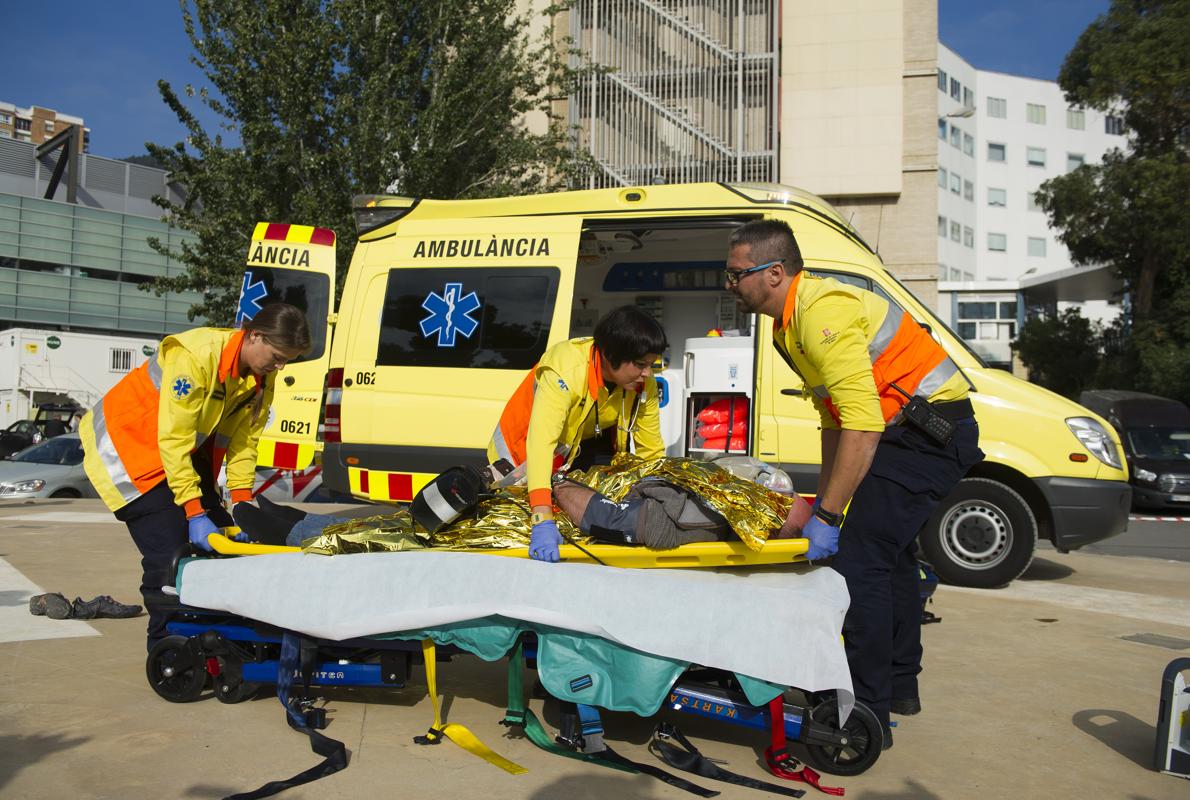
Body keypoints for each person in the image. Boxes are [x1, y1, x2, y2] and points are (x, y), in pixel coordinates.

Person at [724, 219, 983, 748]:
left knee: (861, 561)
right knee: (892, 557)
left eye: (735, 275)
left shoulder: (821, 312)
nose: (729, 285)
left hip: (926, 435)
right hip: (901, 433)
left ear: (773, 273)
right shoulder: (785, 329)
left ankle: (866, 708)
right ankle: (900, 683)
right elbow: (833, 418)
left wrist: (830, 518)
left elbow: (862, 423)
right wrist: (826, 499)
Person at [79, 303, 311, 649]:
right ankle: (166, 645)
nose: (280, 367)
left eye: (286, 361)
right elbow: (173, 438)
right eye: (277, 356)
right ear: (254, 336)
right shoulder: (197, 357)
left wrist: (243, 502)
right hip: (130, 450)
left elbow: (246, 441)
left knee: (223, 545)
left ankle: (214, 635)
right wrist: (193, 511)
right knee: (172, 553)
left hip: (177, 455)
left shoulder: (262, 376)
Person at [487, 305, 667, 562]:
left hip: (569, 453)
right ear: (610, 354)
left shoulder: (642, 383)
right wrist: (541, 518)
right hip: (521, 458)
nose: (647, 373)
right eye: (640, 364)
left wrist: (663, 499)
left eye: (651, 364)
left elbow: (651, 450)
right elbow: (540, 444)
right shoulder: (565, 369)